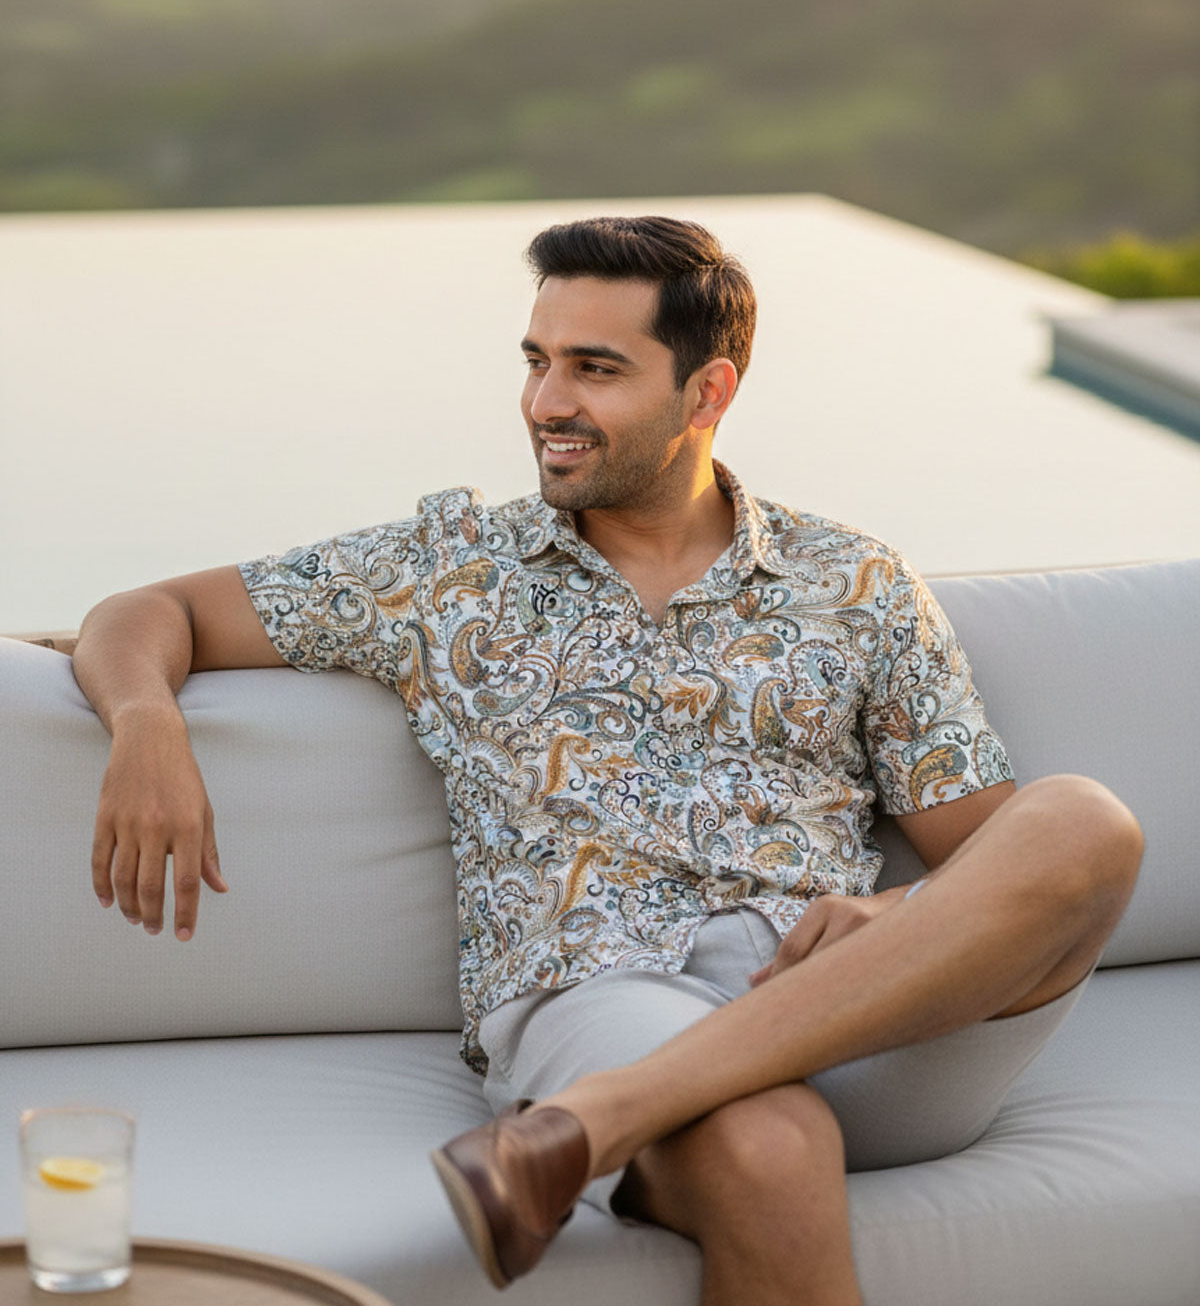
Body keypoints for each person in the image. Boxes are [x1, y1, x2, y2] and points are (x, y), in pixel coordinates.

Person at [72, 216, 1143, 1306]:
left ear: (708, 390)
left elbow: (1008, 859)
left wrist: (895, 920)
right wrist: (147, 724)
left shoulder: (856, 581)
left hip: (860, 1009)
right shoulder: (444, 571)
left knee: (1085, 820)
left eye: (595, 369)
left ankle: (584, 1131)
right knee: (765, 1145)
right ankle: (612, 1106)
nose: (546, 404)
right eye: (537, 362)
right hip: (607, 991)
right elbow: (145, 611)